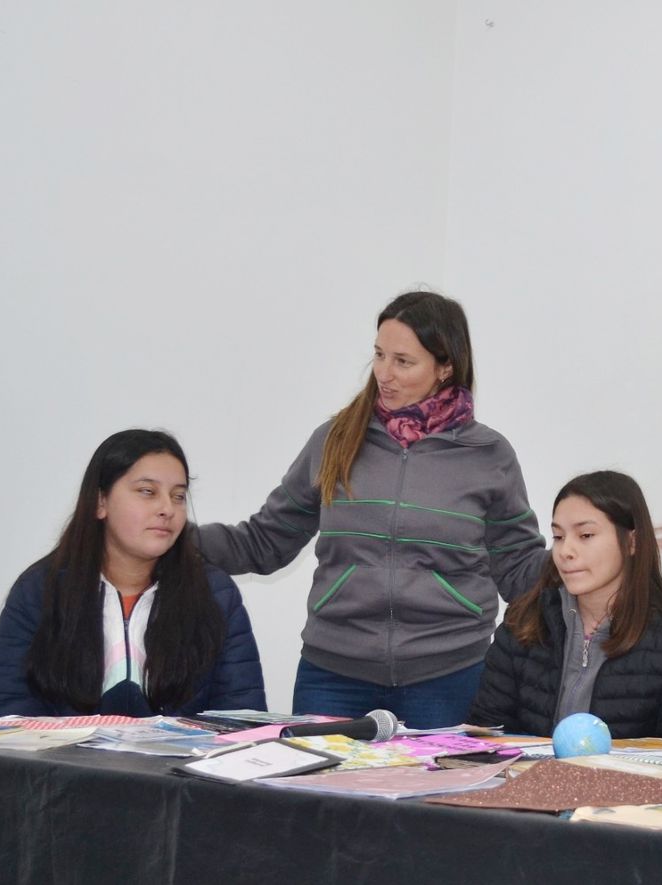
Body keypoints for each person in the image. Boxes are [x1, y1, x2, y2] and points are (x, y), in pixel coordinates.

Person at [198, 291, 546, 728]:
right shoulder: (335, 439)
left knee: (433, 798)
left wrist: (593, 559)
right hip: (333, 675)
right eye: (379, 354)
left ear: (446, 367)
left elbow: (518, 569)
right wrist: (176, 539)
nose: (384, 373)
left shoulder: (489, 455)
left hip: (448, 679)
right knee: (320, 796)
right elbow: (266, 541)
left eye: (404, 361)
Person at [0, 430, 265, 717]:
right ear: (100, 502)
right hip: (65, 762)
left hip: (180, 763)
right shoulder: (39, 590)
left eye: (178, 496)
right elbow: (7, 719)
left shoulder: (216, 594)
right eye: (147, 492)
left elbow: (242, 719)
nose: (167, 509)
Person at [468, 471, 662, 743]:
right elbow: (486, 737)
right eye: (559, 537)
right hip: (529, 782)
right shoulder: (523, 623)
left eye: (585, 535)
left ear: (632, 542)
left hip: (633, 785)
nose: (566, 552)